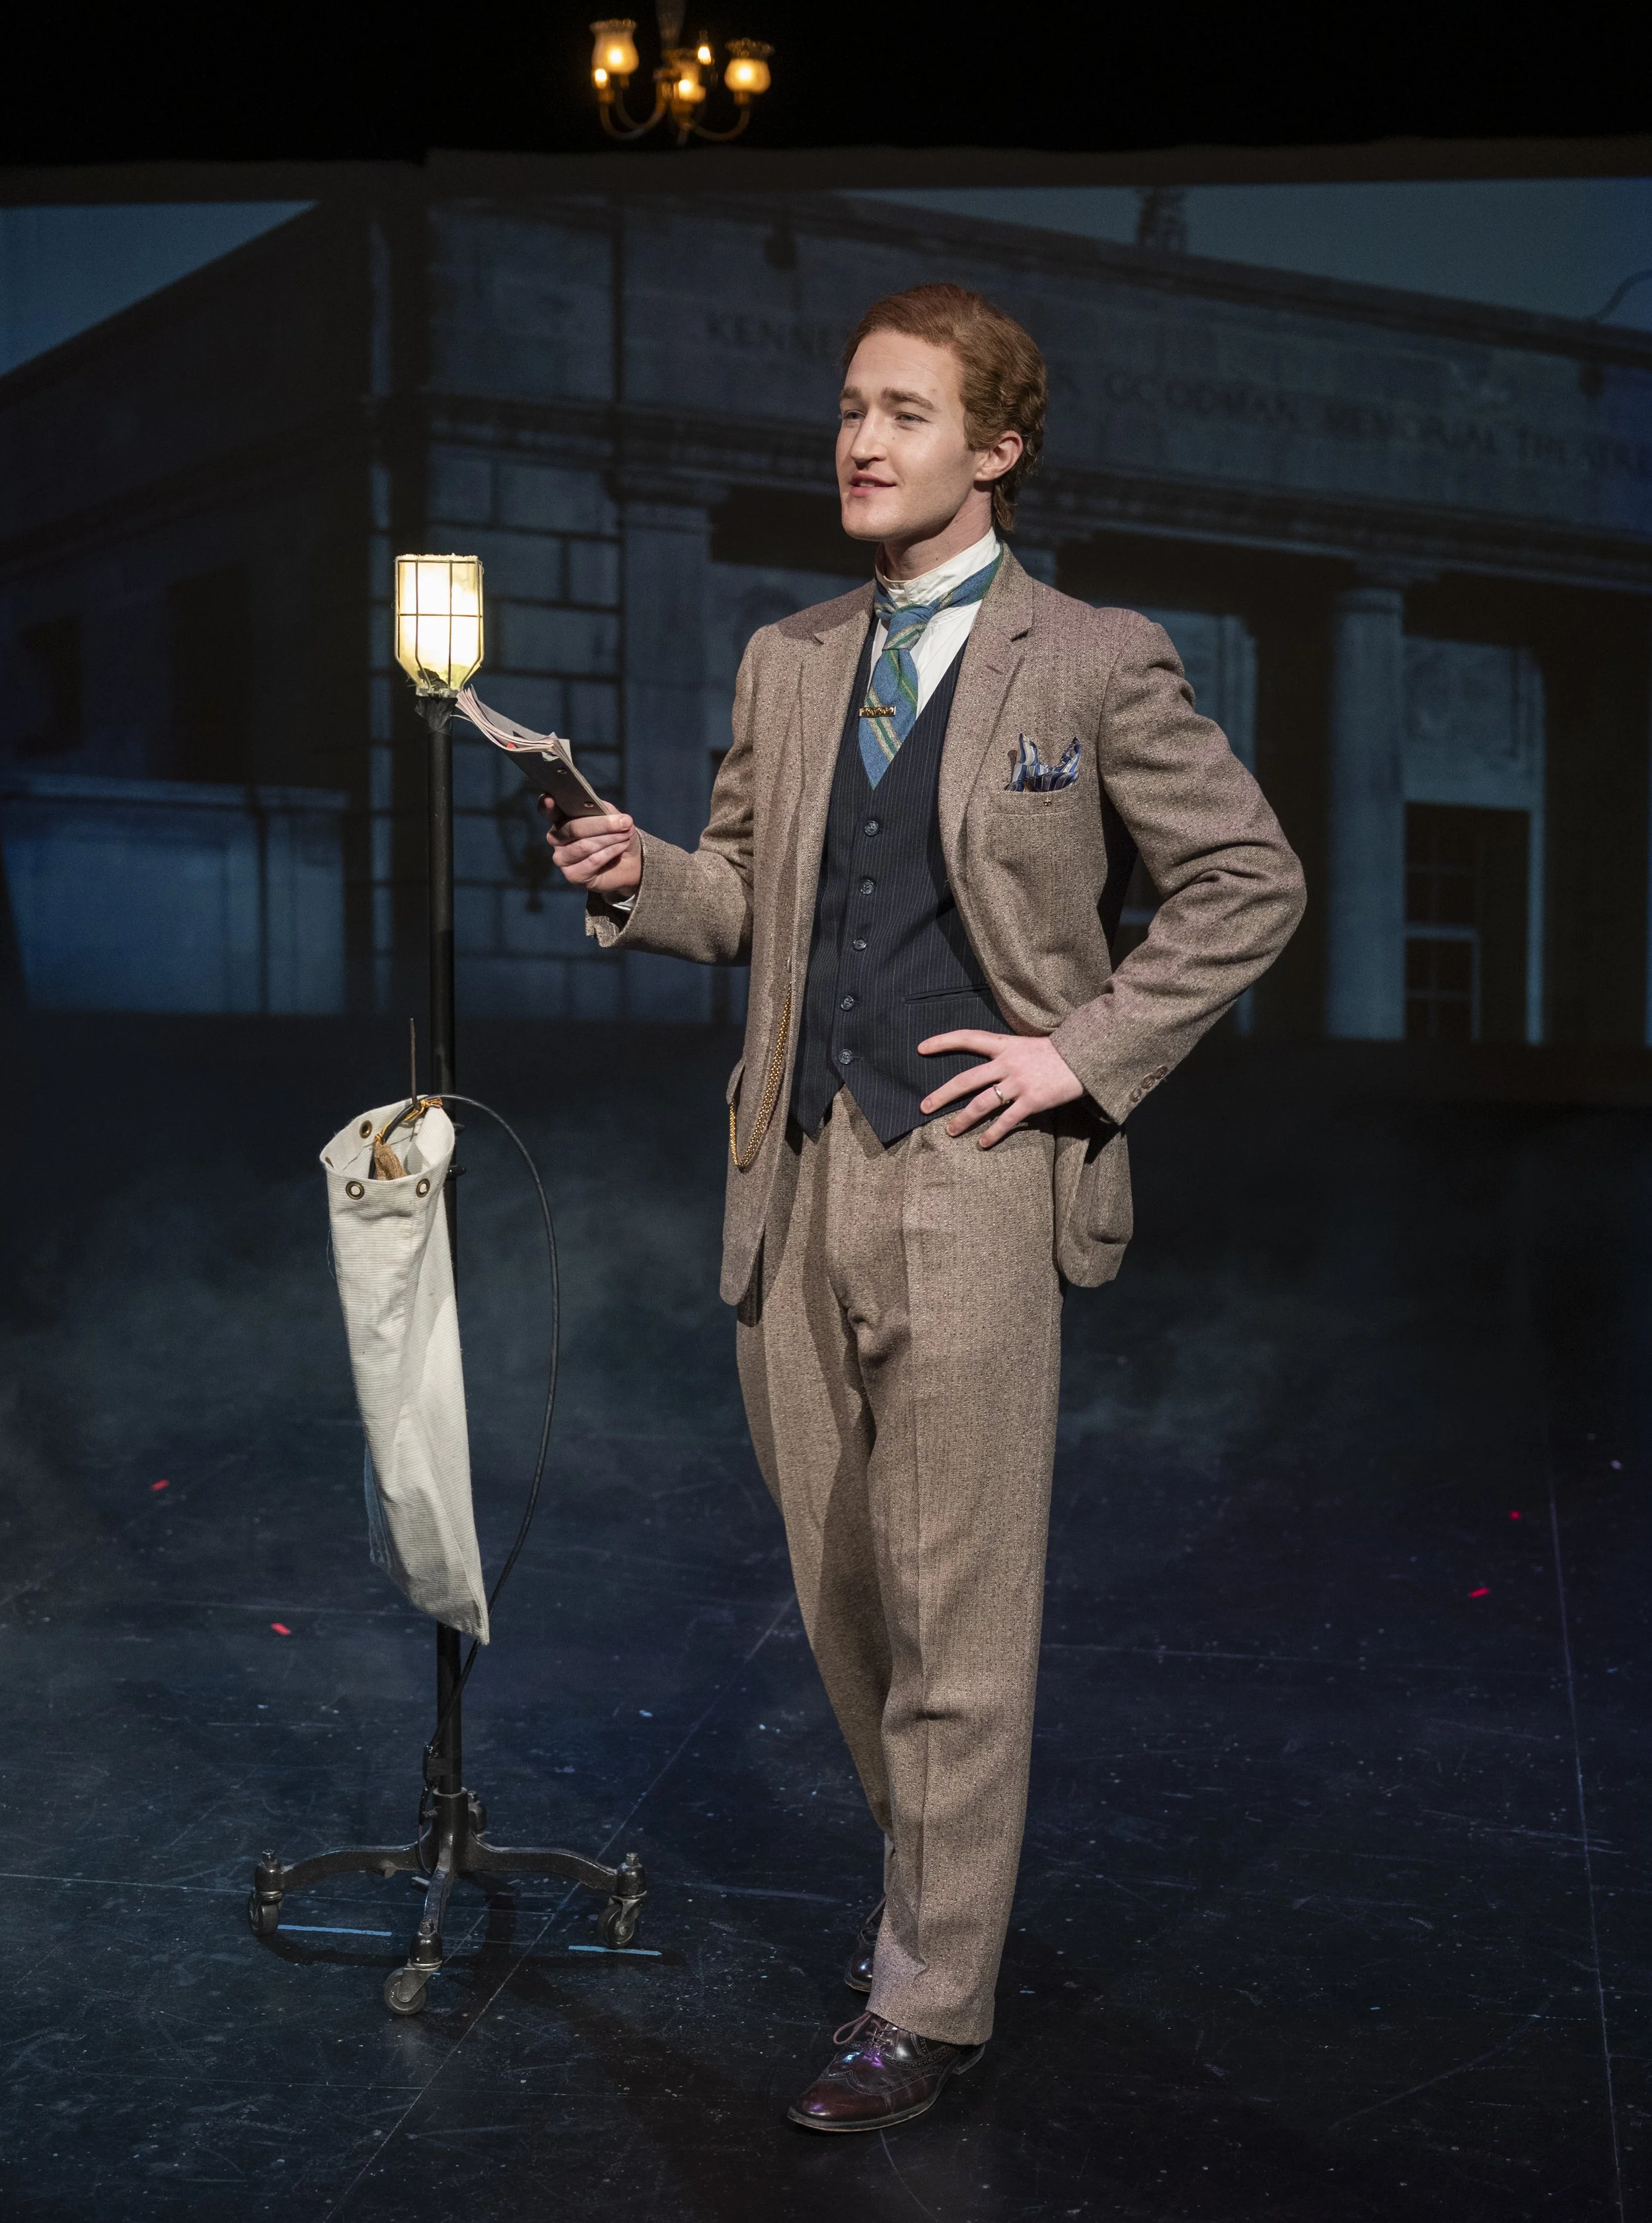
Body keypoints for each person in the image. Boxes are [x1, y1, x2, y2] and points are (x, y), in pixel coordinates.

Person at [549, 283, 1305, 2132]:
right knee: (843, 1595)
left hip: (972, 1187)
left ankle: (927, 1997)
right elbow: (743, 897)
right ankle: (932, 1916)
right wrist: (633, 870)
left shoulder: (1094, 659)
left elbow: (1248, 879)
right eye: (844, 411)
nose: (858, 442)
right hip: (791, 1176)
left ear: (996, 446)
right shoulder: (789, 661)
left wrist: (1080, 1054)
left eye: (902, 412)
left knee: (960, 1615)